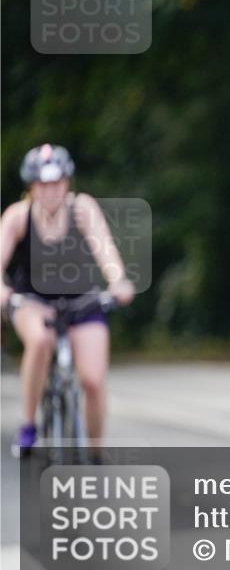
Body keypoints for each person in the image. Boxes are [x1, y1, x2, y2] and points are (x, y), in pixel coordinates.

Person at [0, 143, 135, 456]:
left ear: (67, 183)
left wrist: (118, 281)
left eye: (56, 183)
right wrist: (5, 294)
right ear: (31, 187)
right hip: (33, 302)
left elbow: (104, 248)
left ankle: (96, 453)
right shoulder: (18, 217)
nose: (50, 192)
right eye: (43, 185)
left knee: (92, 379)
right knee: (41, 341)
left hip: (81, 302)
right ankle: (29, 424)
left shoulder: (82, 208)